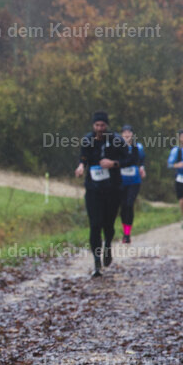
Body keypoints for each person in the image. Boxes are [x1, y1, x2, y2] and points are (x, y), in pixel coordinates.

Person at [75, 111, 128, 277]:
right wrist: (81, 166)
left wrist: (113, 163)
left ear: (107, 125)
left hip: (112, 189)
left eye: (102, 125)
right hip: (93, 189)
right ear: (93, 126)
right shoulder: (87, 140)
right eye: (96, 125)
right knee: (95, 224)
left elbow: (130, 159)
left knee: (108, 224)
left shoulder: (117, 140)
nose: (99, 128)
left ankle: (108, 247)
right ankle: (96, 261)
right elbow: (84, 157)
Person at [118, 124, 145, 243]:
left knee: (129, 204)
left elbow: (142, 160)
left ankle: (127, 234)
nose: (127, 135)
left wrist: (142, 168)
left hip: (134, 181)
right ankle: (125, 230)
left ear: (132, 135)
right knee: (123, 206)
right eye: (124, 133)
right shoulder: (117, 147)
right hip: (120, 181)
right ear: (121, 135)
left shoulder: (138, 147)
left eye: (129, 133)